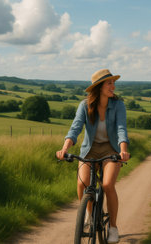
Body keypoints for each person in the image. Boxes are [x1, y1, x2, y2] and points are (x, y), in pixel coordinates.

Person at [56, 68, 130, 244]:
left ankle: (112, 227)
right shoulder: (84, 106)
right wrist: (64, 148)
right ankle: (88, 213)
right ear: (99, 87)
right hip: (90, 149)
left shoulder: (118, 105)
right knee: (82, 184)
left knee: (107, 184)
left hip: (111, 150)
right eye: (109, 83)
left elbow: (121, 130)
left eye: (113, 83)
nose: (113, 86)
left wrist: (123, 150)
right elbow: (75, 129)